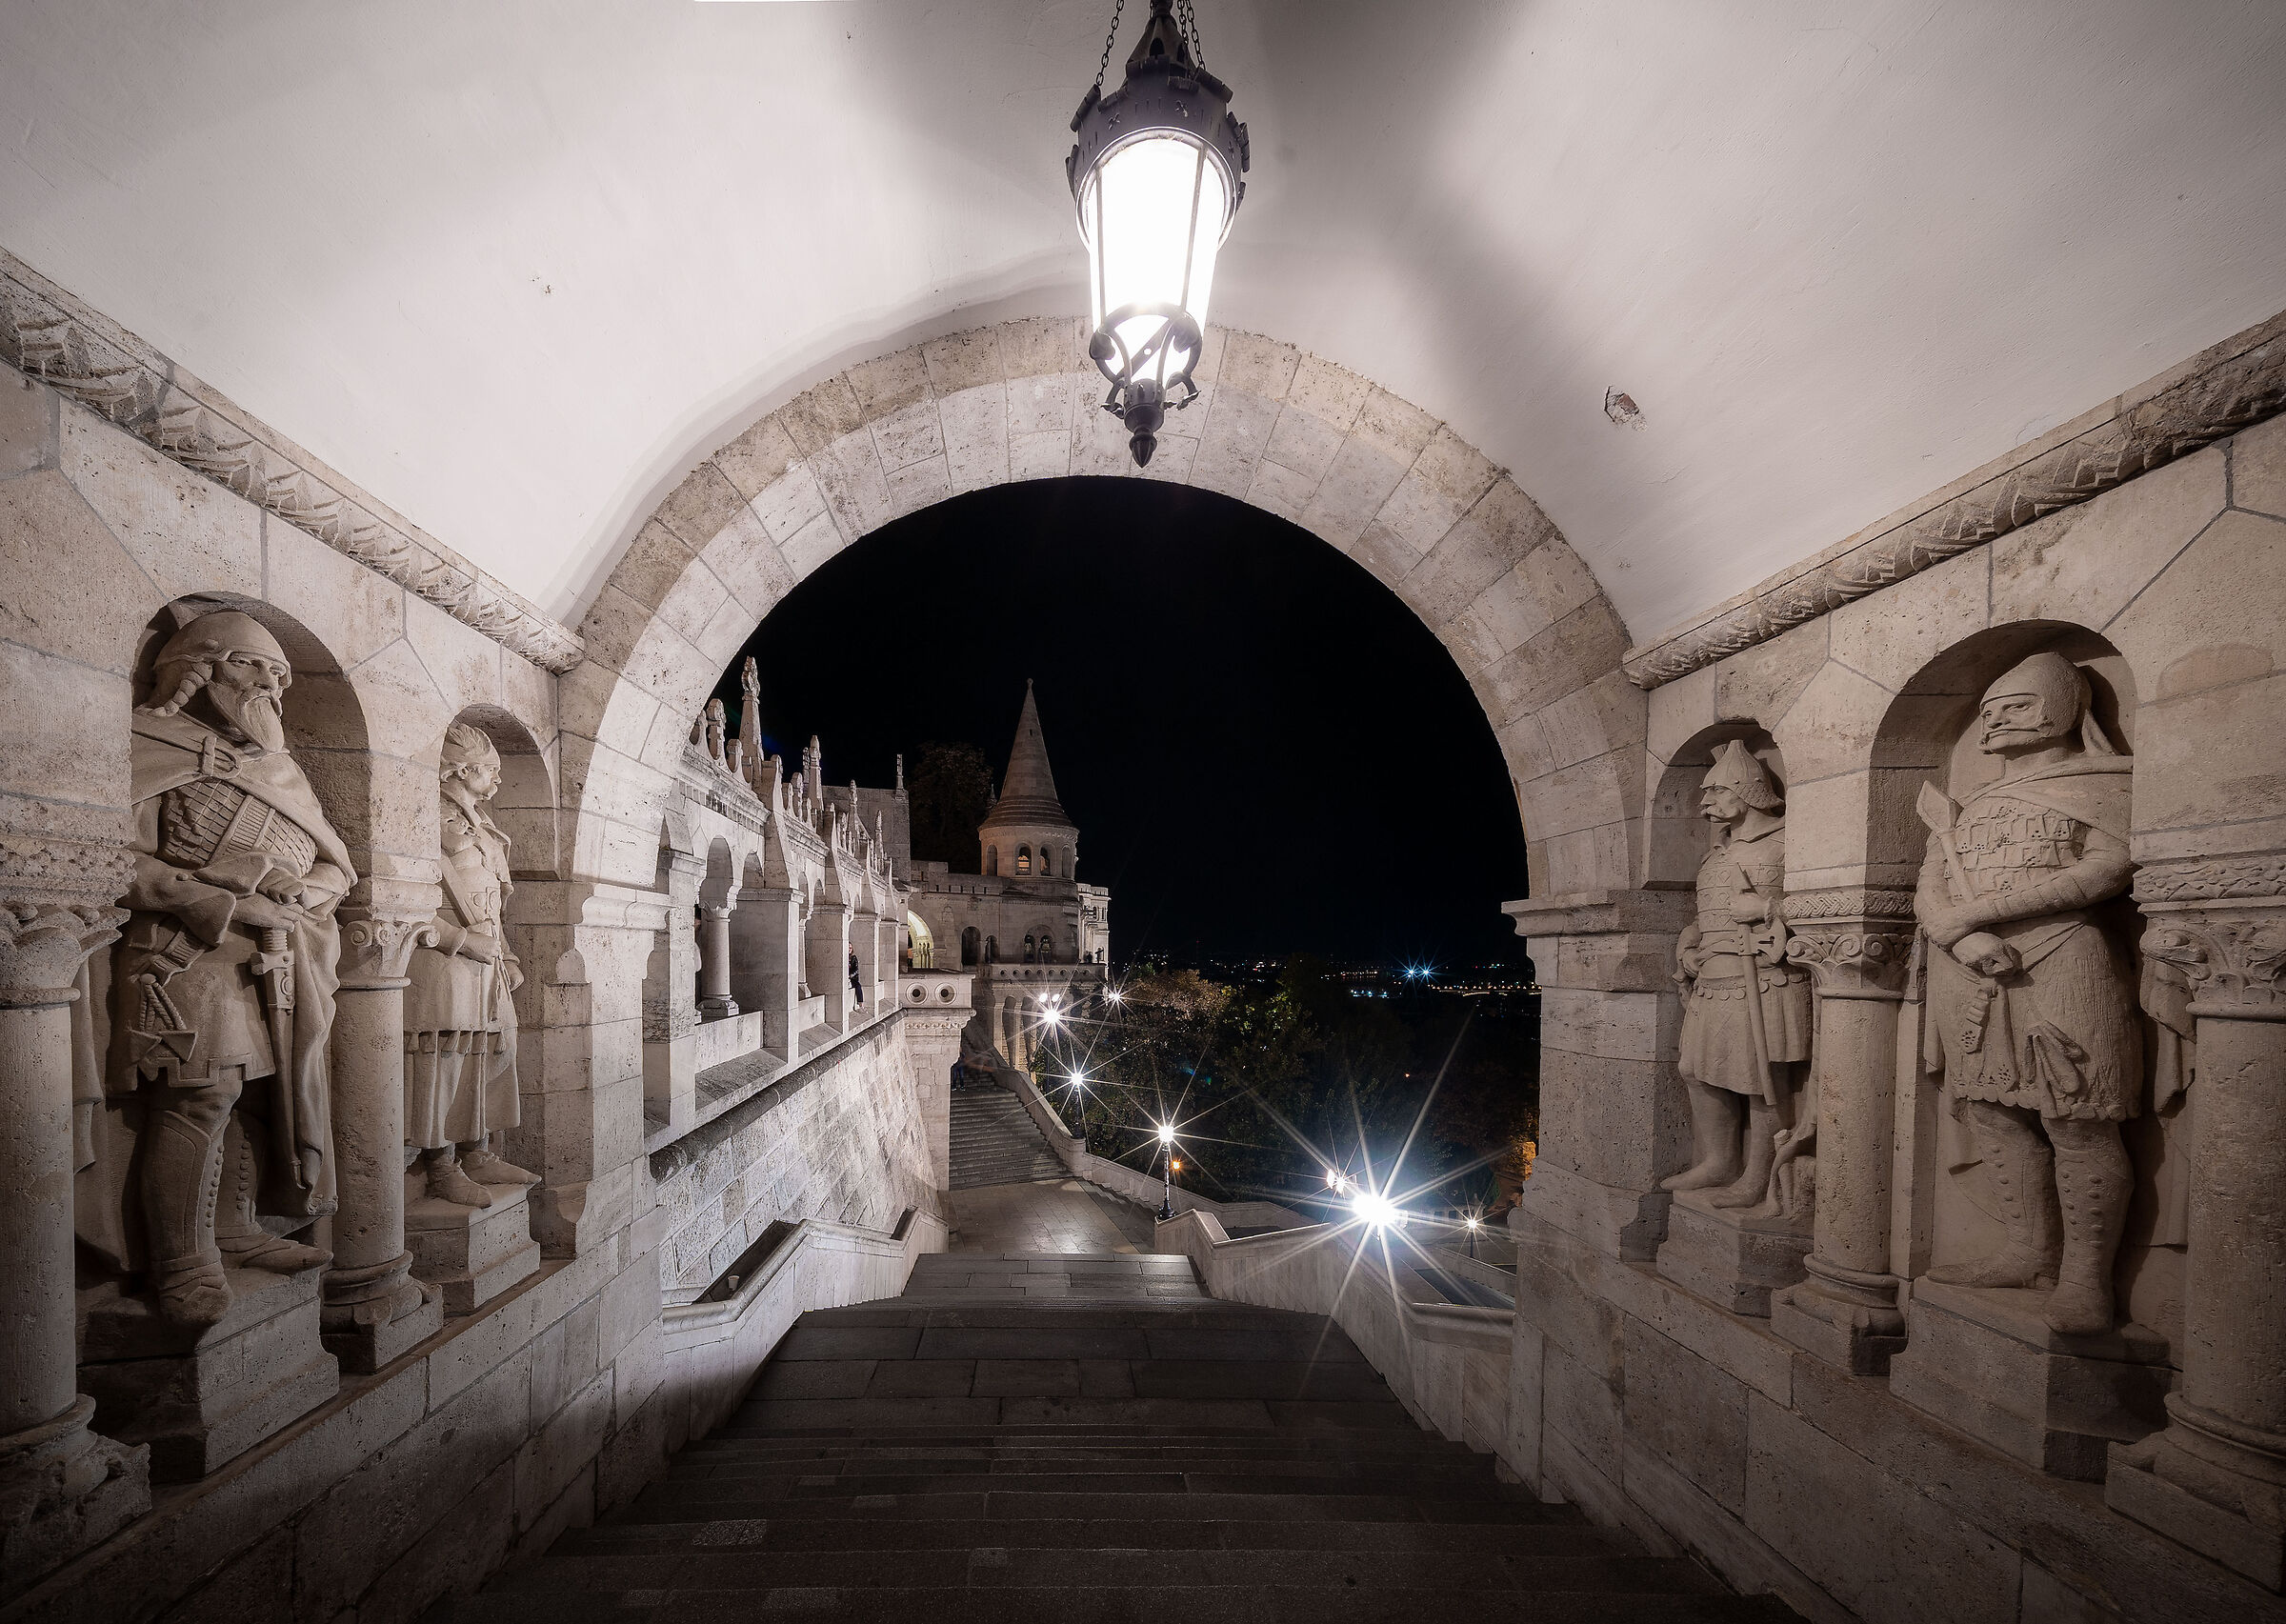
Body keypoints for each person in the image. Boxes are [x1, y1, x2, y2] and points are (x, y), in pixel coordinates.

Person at [79, 612, 353, 1325]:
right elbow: (115, 861)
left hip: (278, 956)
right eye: (249, 665)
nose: (270, 683)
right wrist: (223, 902)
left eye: (280, 673)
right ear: (197, 669)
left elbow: (333, 864)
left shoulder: (277, 766)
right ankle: (180, 1263)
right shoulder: (146, 747)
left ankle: (231, 1227)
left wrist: (303, 893)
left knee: (262, 1094)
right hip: (181, 953)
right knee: (198, 1097)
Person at [1917, 652, 2137, 1334]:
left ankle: (2085, 1275)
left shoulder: (2101, 785)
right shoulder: (1967, 807)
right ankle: (2027, 1249)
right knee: (1990, 1109)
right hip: (1970, 968)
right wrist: (1960, 937)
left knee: (2078, 1113)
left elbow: (2110, 865)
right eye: (1987, 712)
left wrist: (1980, 913)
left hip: (2062, 959)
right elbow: (1931, 889)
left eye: (2013, 706)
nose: (1993, 722)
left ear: (2061, 707)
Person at [1664, 741, 1813, 1207]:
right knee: (1695, 1070)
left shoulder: (1789, 841)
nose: (1704, 803)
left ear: (1744, 792)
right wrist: (1687, 945)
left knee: (1759, 1078)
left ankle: (1756, 1175)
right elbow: (1704, 915)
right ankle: (1720, 1161)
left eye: (1714, 792)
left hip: (1766, 978)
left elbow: (1825, 908)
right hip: (1715, 978)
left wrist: (1768, 907)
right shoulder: (1718, 852)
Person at [404, 722, 537, 1207]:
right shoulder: (423, 816)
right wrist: (460, 940)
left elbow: (495, 906)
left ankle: (478, 1148)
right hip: (443, 962)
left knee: (496, 1047)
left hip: (488, 961)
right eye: (490, 770)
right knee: (446, 1058)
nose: (498, 780)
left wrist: (509, 953)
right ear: (460, 769)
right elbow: (400, 898)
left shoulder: (484, 826)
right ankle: (441, 1166)